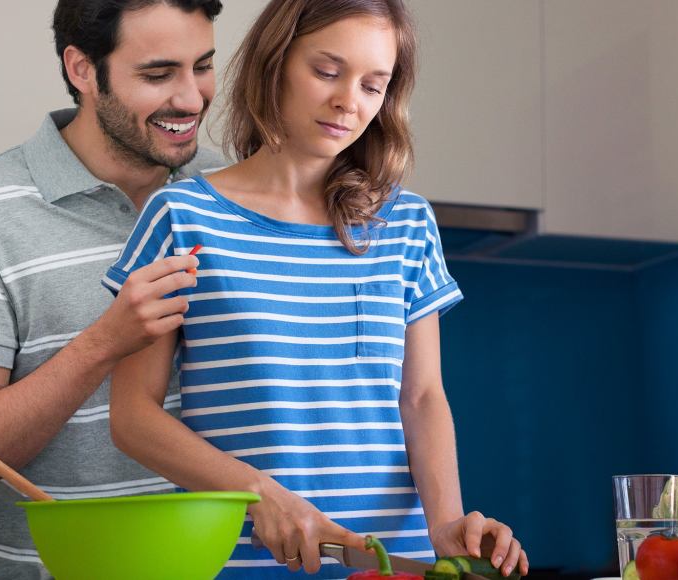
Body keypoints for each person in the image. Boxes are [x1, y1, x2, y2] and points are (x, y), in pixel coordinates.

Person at [104, 0, 529, 578]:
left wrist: (445, 525)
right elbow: (132, 417)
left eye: (373, 85)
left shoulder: (404, 223)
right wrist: (260, 494)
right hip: (241, 565)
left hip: (388, 566)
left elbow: (423, 398)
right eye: (327, 71)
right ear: (274, 64)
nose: (348, 101)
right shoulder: (181, 218)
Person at [0, 0, 225, 577]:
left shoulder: (235, 193)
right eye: (157, 74)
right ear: (82, 69)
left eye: (202, 65)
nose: (191, 98)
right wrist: (104, 342)